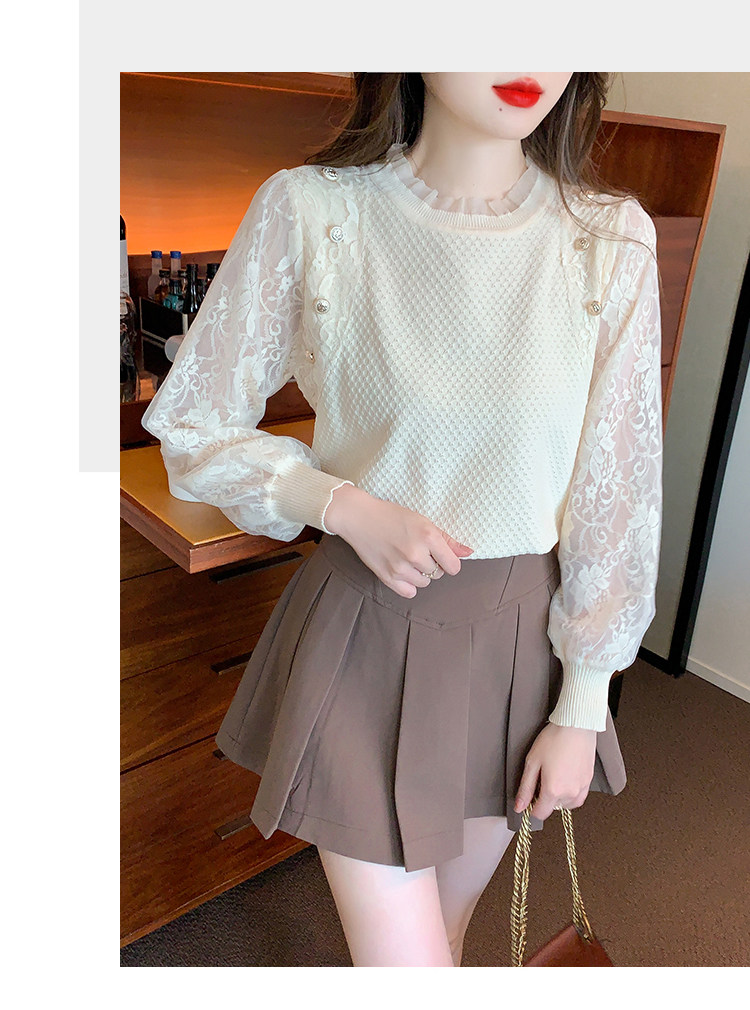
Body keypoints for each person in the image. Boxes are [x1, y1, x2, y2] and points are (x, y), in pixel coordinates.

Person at [140, 72, 663, 967]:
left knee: (447, 938)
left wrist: (582, 705)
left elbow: (618, 491)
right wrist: (339, 503)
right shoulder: (313, 211)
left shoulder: (609, 238)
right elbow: (192, 424)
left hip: (520, 646)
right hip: (366, 633)